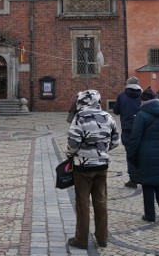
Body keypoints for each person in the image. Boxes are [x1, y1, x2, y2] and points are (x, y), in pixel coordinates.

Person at [66, 90, 120, 249]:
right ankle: (102, 238)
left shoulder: (80, 118)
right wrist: (102, 151)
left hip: (83, 167)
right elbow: (116, 141)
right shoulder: (108, 117)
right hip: (102, 166)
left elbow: (73, 143)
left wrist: (70, 155)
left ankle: (81, 240)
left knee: (82, 203)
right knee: (101, 201)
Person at [127, 89, 159, 223]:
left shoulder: (142, 115)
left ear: (143, 100)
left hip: (146, 153)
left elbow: (135, 137)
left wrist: (131, 153)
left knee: (147, 184)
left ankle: (150, 214)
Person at [113, 77, 143, 188]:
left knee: (130, 154)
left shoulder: (122, 95)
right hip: (141, 128)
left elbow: (116, 110)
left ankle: (133, 179)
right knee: (141, 152)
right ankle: (142, 176)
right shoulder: (143, 95)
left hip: (127, 128)